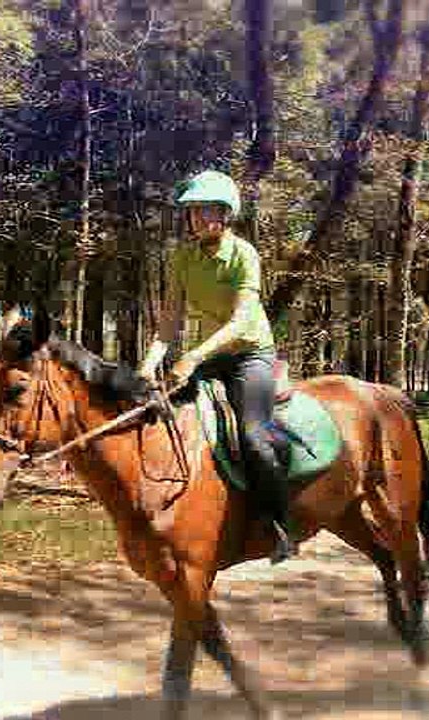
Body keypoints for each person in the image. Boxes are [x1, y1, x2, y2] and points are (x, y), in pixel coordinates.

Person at [138, 169, 298, 563]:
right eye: (192, 211)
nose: (196, 218)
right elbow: (170, 321)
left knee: (254, 437)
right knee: (166, 419)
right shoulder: (183, 258)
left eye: (206, 209)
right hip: (209, 357)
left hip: (250, 355)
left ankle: (280, 526)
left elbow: (242, 322)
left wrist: (193, 356)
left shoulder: (244, 254)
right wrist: (148, 364)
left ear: (226, 214)